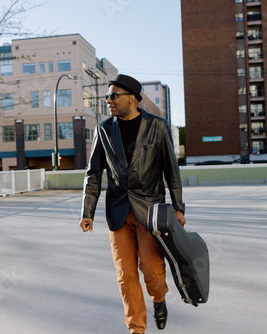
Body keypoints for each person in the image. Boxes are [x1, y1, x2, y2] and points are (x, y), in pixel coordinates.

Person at [79, 74, 186, 334]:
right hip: (117, 212)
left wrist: (179, 208)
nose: (108, 100)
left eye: (113, 95)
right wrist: (87, 211)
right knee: (125, 276)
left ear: (132, 98)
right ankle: (136, 328)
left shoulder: (157, 126)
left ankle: (159, 300)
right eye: (107, 96)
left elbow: (171, 170)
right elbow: (94, 173)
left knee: (152, 271)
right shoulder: (104, 129)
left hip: (150, 211)